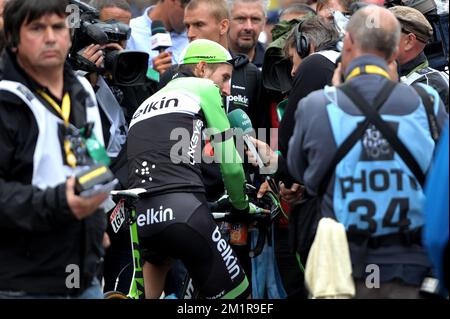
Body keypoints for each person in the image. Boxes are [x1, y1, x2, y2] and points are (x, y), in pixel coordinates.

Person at [287, 5, 448, 298]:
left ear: (347, 44)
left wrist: (335, 92)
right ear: (394, 51)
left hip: (345, 270)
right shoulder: (427, 102)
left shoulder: (317, 105)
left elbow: (299, 173)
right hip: (412, 269)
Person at [127, 39, 253, 299]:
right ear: (202, 68)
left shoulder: (145, 104)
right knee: (240, 297)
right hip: (184, 211)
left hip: (141, 218)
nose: (228, 89)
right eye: (225, 77)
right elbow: (230, 166)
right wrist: (242, 206)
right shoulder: (204, 88)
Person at [0, 0, 109, 298]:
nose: (50, 37)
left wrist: (96, 218)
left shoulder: (82, 90)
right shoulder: (5, 98)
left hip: (82, 274)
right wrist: (60, 202)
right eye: (37, 28)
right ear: (13, 38)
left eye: (58, 27)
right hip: (23, 283)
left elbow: (95, 160)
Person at [389, 5, 449, 110]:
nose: (376, 39)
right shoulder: (391, 72)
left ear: (409, 41)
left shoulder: (428, 85)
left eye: (384, 33)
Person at [126, 0, 190, 77]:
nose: (190, 15)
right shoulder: (131, 32)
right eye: (188, 7)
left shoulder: (194, 35)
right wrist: (153, 74)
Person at [227, 0, 267, 69]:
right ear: (226, 22)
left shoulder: (274, 63)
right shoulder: (212, 60)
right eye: (241, 19)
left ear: (264, 23)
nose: (248, 27)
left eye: (255, 19)